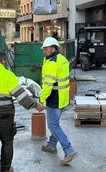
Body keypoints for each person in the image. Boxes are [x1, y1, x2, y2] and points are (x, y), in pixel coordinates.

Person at [0, 49, 45, 172]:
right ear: (3, 60)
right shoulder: (8, 75)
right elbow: (22, 97)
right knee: (7, 142)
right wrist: (36, 105)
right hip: (5, 117)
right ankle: (5, 169)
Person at [39, 37, 77, 166]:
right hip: (62, 97)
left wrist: (41, 99)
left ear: (53, 48)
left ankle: (69, 150)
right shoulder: (61, 59)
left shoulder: (52, 62)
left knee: (53, 125)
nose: (44, 51)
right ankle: (51, 145)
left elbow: (48, 85)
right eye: (44, 49)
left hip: (53, 98)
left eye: (46, 48)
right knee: (55, 122)